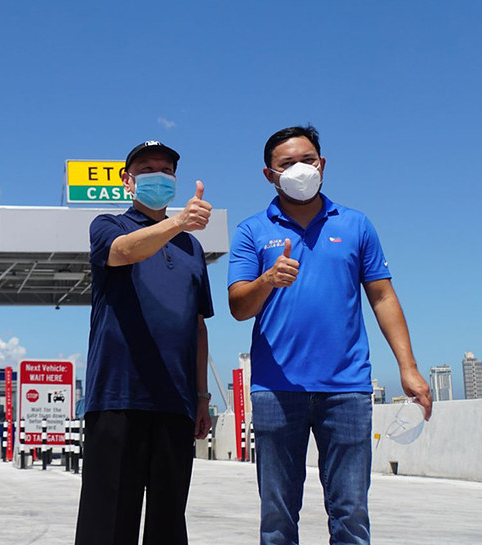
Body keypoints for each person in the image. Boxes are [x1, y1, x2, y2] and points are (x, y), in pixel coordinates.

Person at [227, 125, 433, 545]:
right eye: (287, 163)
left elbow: (382, 297)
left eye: (307, 160)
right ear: (269, 175)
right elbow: (238, 307)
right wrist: (267, 279)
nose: (300, 169)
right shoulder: (252, 231)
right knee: (277, 516)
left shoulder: (356, 225)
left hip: (347, 389)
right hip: (275, 390)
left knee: (351, 512)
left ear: (322, 164)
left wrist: (408, 368)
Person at [76, 140, 214, 545]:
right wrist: (178, 222)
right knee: (108, 524)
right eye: (147, 169)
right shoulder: (108, 225)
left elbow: (198, 325)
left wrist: (201, 396)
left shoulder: (192, 249)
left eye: (166, 170)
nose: (159, 176)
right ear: (128, 180)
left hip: (175, 402)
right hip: (117, 398)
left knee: (168, 524)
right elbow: (122, 253)